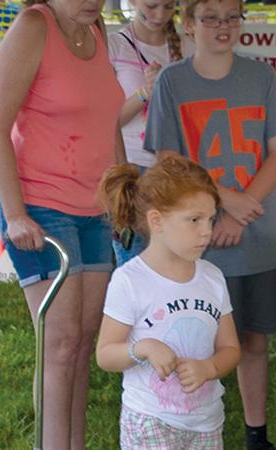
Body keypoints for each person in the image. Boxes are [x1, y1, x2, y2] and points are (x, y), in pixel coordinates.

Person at [144, 0, 276, 448]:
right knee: (194, 337)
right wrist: (223, 204)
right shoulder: (172, 81)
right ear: (188, 24)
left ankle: (254, 432)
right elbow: (169, 160)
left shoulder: (262, 77)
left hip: (255, 233)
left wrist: (240, 212)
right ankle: (190, 425)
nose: (222, 26)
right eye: (210, 17)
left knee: (251, 339)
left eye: (232, 16)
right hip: (195, 240)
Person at [0, 0, 124, 445]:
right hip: (41, 207)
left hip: (96, 209)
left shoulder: (97, 29)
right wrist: (15, 213)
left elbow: (108, 124)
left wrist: (122, 195)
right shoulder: (32, 27)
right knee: (60, 345)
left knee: (83, 345)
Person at [96, 155, 242, 449]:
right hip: (150, 421)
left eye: (211, 219)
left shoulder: (212, 277)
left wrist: (209, 369)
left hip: (206, 422)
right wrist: (144, 348)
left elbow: (231, 349)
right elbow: (105, 355)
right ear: (156, 221)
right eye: (194, 220)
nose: (206, 231)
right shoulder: (130, 281)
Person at [108, 0, 193, 265]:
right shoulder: (114, 46)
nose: (159, 15)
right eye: (152, 5)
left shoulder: (189, 46)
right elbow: (107, 121)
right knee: (134, 262)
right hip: (131, 167)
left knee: (176, 259)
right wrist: (144, 93)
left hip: (175, 168)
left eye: (168, 7)